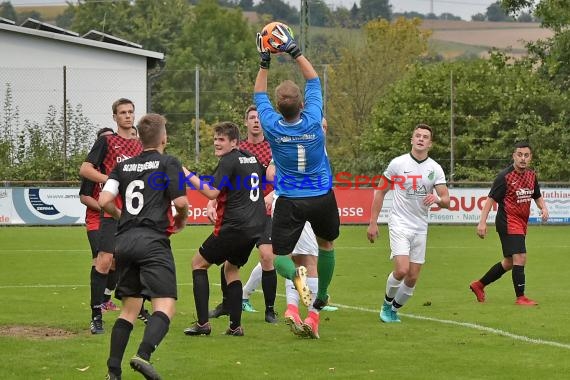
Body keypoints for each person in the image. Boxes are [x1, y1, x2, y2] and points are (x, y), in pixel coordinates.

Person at [254, 24, 340, 329]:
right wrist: (295, 52)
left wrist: (265, 61)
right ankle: (321, 298)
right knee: (326, 247)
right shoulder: (315, 119)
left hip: (290, 200)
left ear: (277, 109)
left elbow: (258, 93)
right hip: (321, 196)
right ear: (303, 105)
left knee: (279, 257)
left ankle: (296, 279)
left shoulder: (272, 127)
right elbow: (314, 79)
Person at [99, 113, 188, 380]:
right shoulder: (168, 162)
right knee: (165, 306)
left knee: (130, 309)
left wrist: (121, 217)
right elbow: (181, 203)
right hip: (152, 241)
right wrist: (180, 222)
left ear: (139, 138)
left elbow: (104, 200)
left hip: (124, 241)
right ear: (164, 138)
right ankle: (143, 355)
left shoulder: (123, 166)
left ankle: (113, 372)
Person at [183, 121, 266, 337]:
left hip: (234, 226)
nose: (217, 143)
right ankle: (235, 326)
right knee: (231, 269)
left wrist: (186, 174)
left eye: (222, 140)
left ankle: (202, 324)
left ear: (234, 142)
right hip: (254, 226)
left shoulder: (229, 160)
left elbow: (211, 192)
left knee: (198, 264)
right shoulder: (251, 157)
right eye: (215, 139)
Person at [367, 124, 450, 323]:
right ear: (412, 140)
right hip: (399, 223)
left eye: (425, 137)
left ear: (430, 144)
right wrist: (373, 223)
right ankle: (386, 305)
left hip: (420, 226)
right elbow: (380, 191)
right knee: (402, 270)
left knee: (412, 277)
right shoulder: (398, 164)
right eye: (417, 136)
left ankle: (394, 309)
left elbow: (446, 199)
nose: (421, 139)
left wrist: (437, 199)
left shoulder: (434, 168)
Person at [208, 105, 278, 324]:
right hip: (237, 213)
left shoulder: (273, 148)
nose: (256, 121)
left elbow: (285, 179)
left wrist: (270, 196)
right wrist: (211, 202)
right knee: (229, 260)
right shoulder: (235, 148)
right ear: (246, 122)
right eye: (251, 117)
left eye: (259, 117)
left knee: (267, 255)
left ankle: (269, 310)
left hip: (264, 211)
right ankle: (228, 304)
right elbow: (220, 179)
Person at [79, 98, 143, 334]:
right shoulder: (107, 142)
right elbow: (85, 169)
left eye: (130, 112)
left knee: (137, 260)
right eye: (122, 112)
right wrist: (111, 180)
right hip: (112, 212)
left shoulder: (141, 145)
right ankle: (96, 314)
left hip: (137, 214)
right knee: (104, 261)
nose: (127, 116)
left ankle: (139, 308)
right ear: (114, 117)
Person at [469, 141, 549, 306]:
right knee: (520, 257)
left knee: (509, 262)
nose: (523, 158)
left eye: (526, 155)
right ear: (514, 156)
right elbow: (490, 199)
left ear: (530, 158)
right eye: (519, 155)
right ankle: (521, 297)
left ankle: (479, 285)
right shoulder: (504, 177)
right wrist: (482, 223)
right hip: (508, 221)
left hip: (521, 223)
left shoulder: (531, 176)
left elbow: (537, 195)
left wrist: (544, 208)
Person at [78, 127, 119, 313]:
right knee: (100, 260)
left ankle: (106, 298)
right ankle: (96, 306)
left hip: (115, 217)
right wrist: (103, 206)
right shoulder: (93, 171)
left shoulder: (120, 168)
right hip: (96, 220)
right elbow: (85, 197)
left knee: (116, 262)